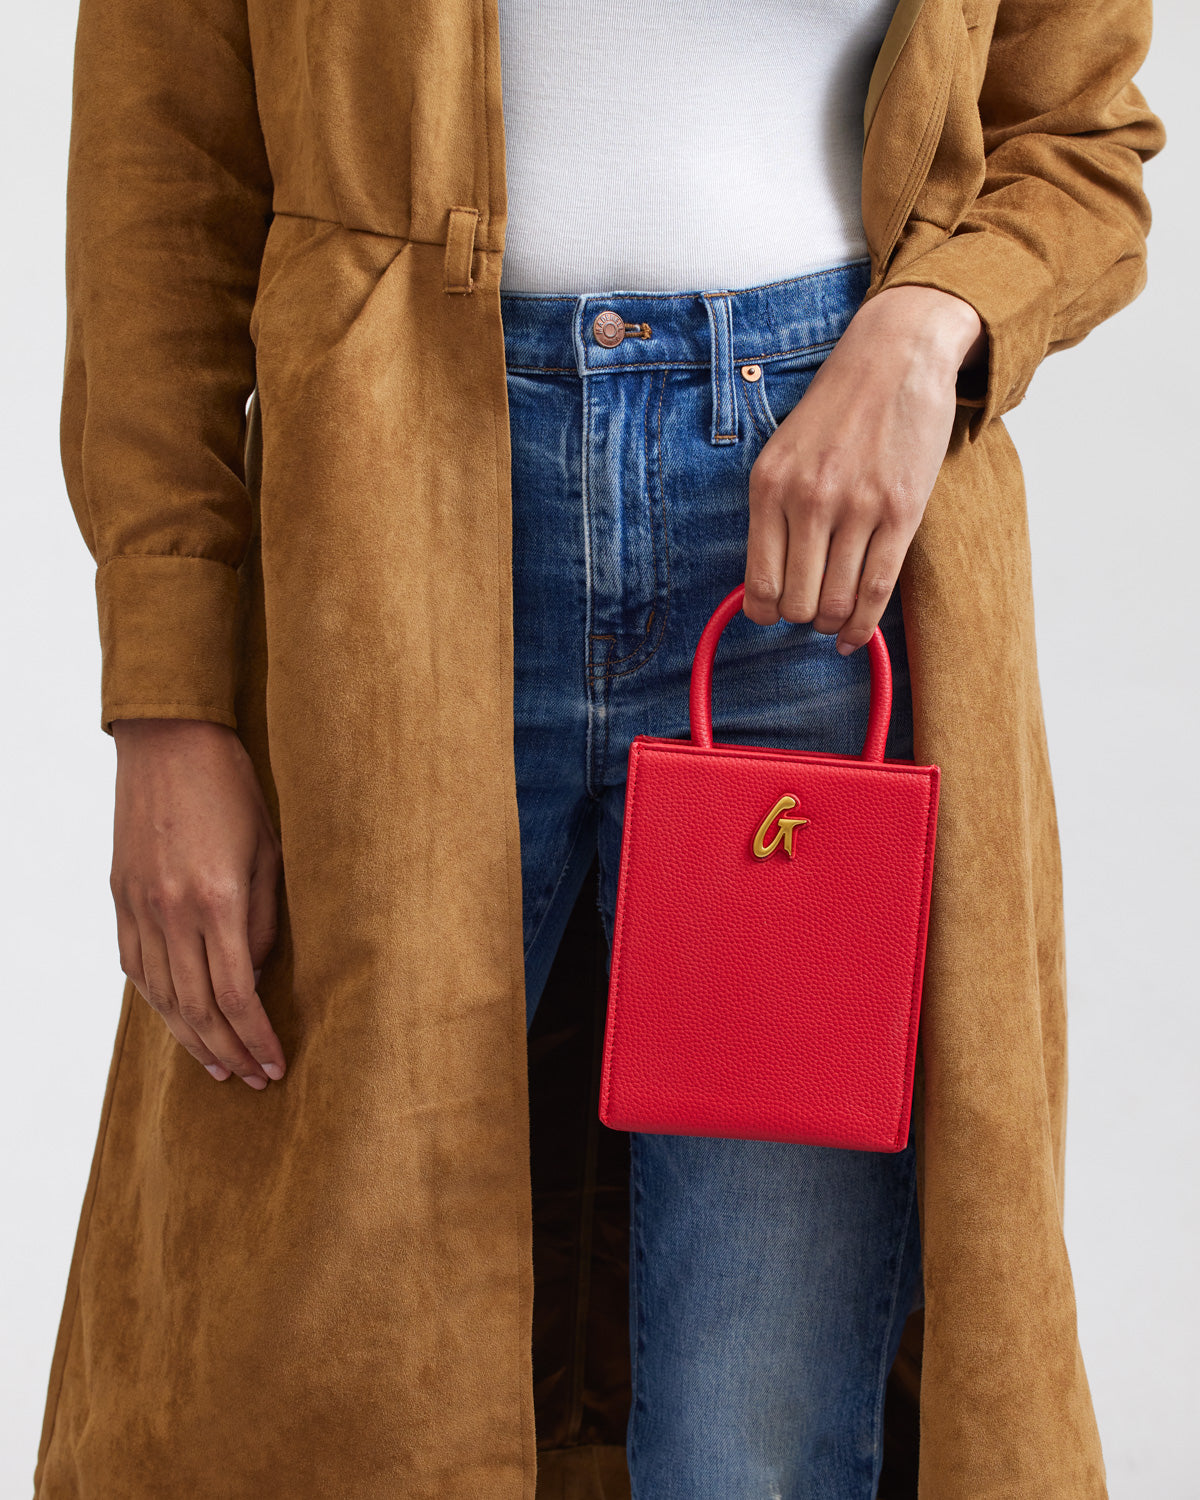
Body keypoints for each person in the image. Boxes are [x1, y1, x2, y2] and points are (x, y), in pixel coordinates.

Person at [35, 2, 1163, 1498]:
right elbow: (159, 192)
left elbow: (1078, 141)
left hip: (816, 568)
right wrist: (166, 700)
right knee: (342, 1366)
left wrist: (930, 320)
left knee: (753, 1424)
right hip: (383, 567)